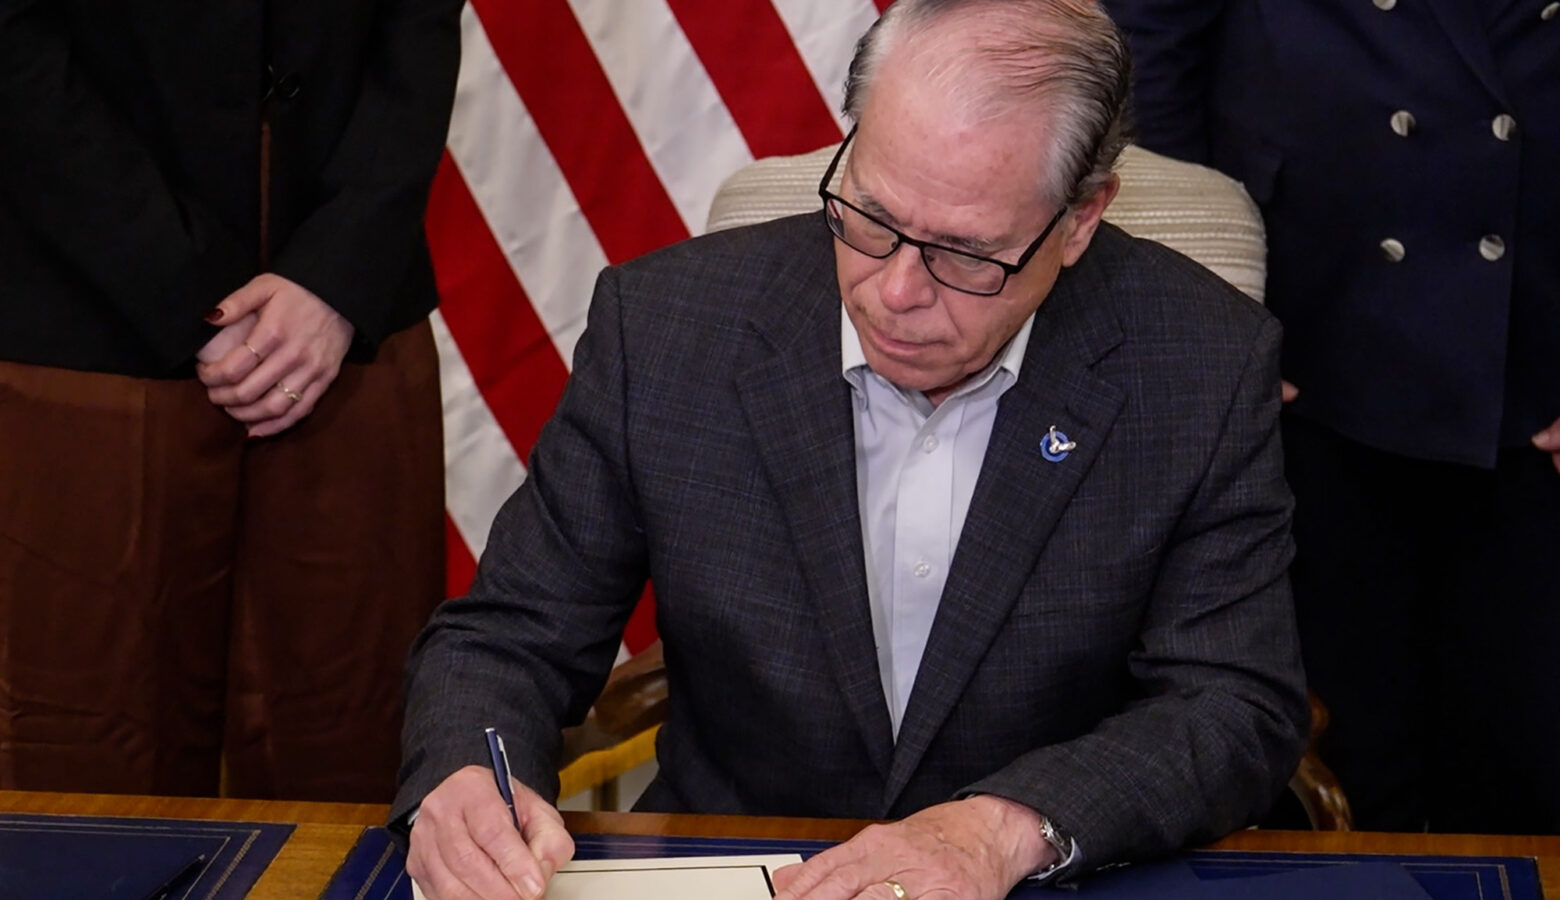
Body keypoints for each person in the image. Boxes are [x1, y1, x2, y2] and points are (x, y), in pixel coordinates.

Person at [394, 1, 1309, 897]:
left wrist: (1005, 829)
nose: (895, 291)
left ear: (1077, 223)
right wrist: (468, 773)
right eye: (870, 216)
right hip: (738, 872)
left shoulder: (1200, 362)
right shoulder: (668, 328)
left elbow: (1231, 705)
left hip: (1040, 881)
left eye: (966, 253)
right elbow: (510, 635)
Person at [1103, 0, 1560, 832]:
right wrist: (1213, 291)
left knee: (1523, 754)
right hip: (1313, 329)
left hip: (1540, 342)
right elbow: (1151, 48)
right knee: (1343, 744)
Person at [0, 0, 460, 801]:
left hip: (348, 330)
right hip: (83, 326)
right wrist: (188, 290)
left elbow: (417, 26)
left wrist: (335, 274)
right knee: (82, 768)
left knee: (357, 749)